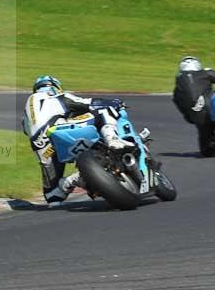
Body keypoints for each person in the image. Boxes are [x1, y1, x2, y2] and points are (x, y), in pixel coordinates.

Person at [22, 75, 134, 204]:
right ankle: (113, 140)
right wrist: (115, 103)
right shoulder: (52, 95)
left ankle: (71, 182)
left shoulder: (27, 111)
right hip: (58, 131)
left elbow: (27, 130)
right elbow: (88, 103)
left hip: (42, 148)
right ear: (55, 86)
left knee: (52, 195)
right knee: (104, 112)